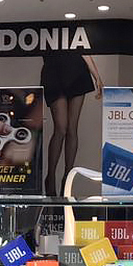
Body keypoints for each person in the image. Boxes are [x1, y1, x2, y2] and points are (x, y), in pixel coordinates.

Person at [42, 49, 103, 195]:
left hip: (77, 71)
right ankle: (50, 177)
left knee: (72, 128)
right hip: (53, 71)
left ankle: (67, 178)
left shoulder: (76, 34)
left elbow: (84, 50)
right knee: (61, 128)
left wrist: (97, 76)